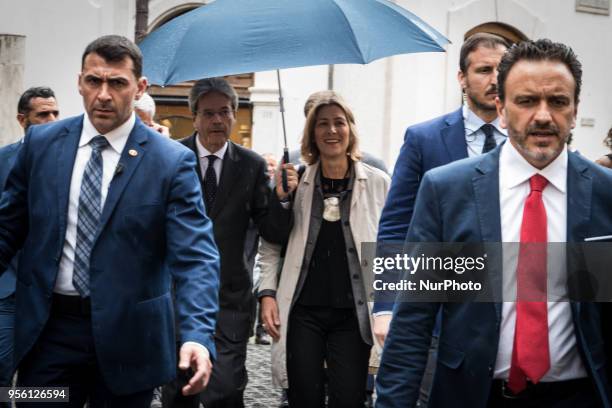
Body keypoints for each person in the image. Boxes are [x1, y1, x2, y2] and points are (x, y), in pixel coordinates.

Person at [376, 39, 612, 407]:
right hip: (474, 396)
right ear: (501, 108)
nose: (544, 116)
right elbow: (413, 322)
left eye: (558, 101)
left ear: (576, 108)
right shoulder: (447, 191)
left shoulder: (605, 193)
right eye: (527, 100)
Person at [0, 35, 220, 407]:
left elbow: (196, 258)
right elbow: (7, 229)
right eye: (93, 81)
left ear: (139, 88)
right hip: (48, 335)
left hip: (130, 344)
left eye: (117, 83)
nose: (103, 94)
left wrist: (197, 335)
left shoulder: (170, 162)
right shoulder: (41, 144)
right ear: (80, 82)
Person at [372, 32, 510, 344]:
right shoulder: (424, 139)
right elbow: (396, 224)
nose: (495, 80)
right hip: (437, 309)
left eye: (502, 71)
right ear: (462, 77)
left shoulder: (525, 142)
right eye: (484, 70)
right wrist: (385, 305)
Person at [163, 77, 290, 408]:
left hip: (230, 300)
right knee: (179, 392)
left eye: (225, 112)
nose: (217, 120)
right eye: (208, 113)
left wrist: (282, 198)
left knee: (226, 390)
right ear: (194, 117)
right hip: (175, 296)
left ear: (235, 114)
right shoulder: (171, 157)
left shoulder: (251, 165)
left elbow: (273, 231)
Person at [259, 92, 390, 407]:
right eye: (322, 124)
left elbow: (393, 248)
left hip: (353, 313)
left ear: (350, 129)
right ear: (311, 133)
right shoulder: (296, 182)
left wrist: (388, 306)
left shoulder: (378, 183)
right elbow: (272, 243)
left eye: (339, 123)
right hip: (303, 311)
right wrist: (267, 293)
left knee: (349, 398)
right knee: (304, 397)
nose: (331, 131)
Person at [0, 86, 60, 405]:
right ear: (23, 120)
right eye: (42, 115)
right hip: (8, 286)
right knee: (2, 364)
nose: (51, 120)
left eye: (55, 113)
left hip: (52, 289)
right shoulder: (3, 159)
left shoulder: (70, 162)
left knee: (47, 376)